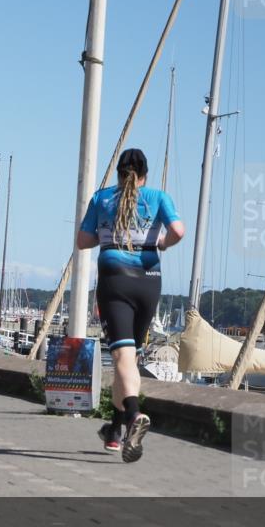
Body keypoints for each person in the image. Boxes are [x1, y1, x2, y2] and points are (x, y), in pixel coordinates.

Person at [77, 148, 184, 462]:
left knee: (123, 356)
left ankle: (135, 415)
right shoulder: (158, 196)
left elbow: (83, 241)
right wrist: (160, 243)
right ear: (144, 175)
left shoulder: (102, 198)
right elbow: (178, 231)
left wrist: (106, 234)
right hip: (149, 280)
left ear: (120, 174)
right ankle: (114, 430)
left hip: (116, 280)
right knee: (130, 359)